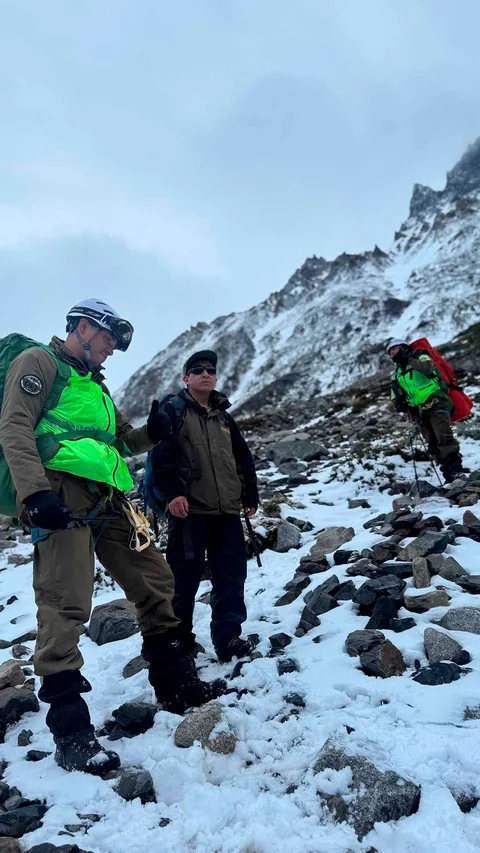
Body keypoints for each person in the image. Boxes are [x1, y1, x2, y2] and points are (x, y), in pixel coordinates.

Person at [0, 300, 225, 777]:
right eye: (107, 340)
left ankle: (174, 682)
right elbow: (15, 426)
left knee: (155, 579)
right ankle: (71, 732)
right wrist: (35, 493)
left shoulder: (95, 384)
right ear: (82, 328)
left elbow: (121, 441)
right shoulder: (38, 363)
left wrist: (153, 434)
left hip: (106, 496)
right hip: (58, 493)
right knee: (66, 601)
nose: (111, 351)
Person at [149, 349, 259, 662]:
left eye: (210, 369)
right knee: (184, 580)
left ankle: (229, 639)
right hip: (189, 511)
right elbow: (162, 455)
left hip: (226, 511)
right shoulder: (174, 409)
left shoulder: (225, 417)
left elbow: (242, 457)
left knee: (231, 577)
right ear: (186, 378)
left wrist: (249, 494)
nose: (206, 373)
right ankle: (179, 642)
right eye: (197, 370)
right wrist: (173, 494)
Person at [387, 339, 463, 482]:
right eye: (390, 352)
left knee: (444, 436)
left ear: (403, 348)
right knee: (431, 441)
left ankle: (456, 471)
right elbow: (394, 391)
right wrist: (398, 403)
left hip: (435, 402)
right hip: (418, 410)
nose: (391, 353)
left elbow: (427, 369)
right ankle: (448, 474)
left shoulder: (421, 357)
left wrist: (410, 360)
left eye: (394, 349)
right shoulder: (397, 373)